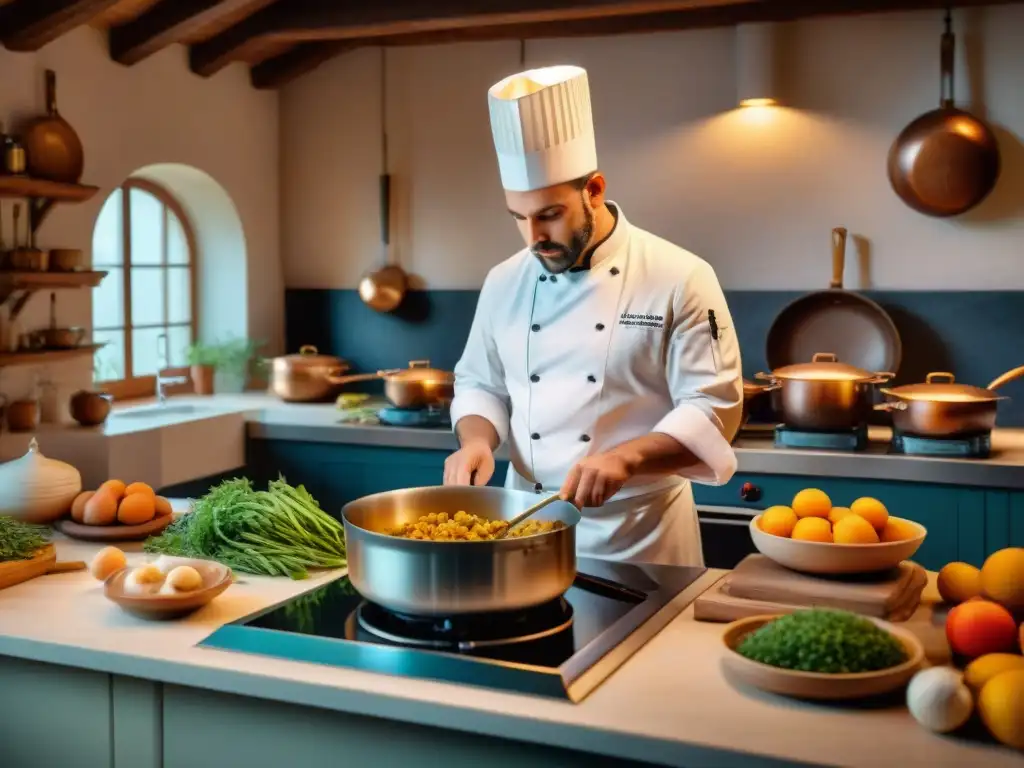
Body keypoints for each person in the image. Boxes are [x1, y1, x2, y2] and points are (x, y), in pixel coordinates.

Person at [442, 64, 743, 567]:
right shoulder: (503, 281)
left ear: (595, 190)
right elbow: (481, 384)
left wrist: (627, 458)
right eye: (519, 218)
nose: (533, 236)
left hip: (638, 536)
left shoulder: (680, 275)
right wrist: (476, 441)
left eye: (549, 214)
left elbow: (713, 409)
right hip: (525, 525)